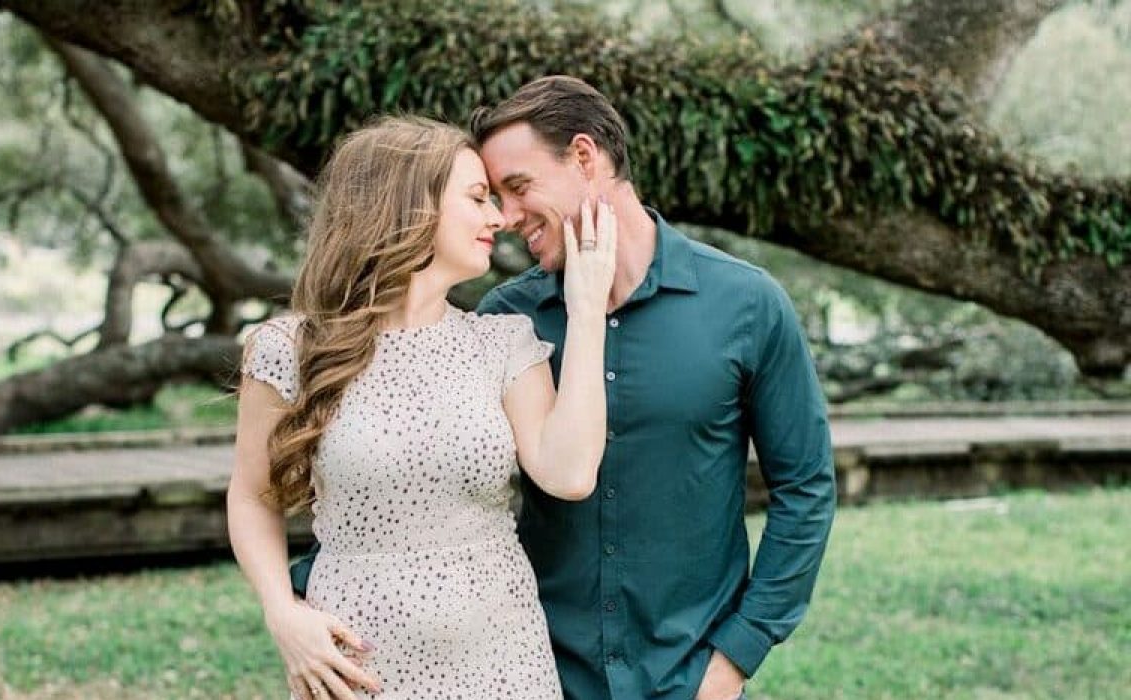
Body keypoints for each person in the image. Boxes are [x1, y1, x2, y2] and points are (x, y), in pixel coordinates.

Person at [294, 76, 837, 700]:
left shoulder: (747, 305)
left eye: (518, 189)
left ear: (584, 157)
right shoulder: (505, 321)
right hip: (530, 669)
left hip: (689, 676)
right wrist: (309, 593)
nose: (505, 218)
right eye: (491, 197)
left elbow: (805, 488)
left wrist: (738, 655)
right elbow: (410, 462)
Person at [227, 115, 617, 700]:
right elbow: (251, 495)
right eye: (478, 197)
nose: (497, 219)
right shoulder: (288, 349)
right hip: (359, 665)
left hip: (504, 661)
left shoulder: (502, 343)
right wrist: (282, 611)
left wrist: (586, 313)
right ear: (409, 205)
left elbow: (569, 474)